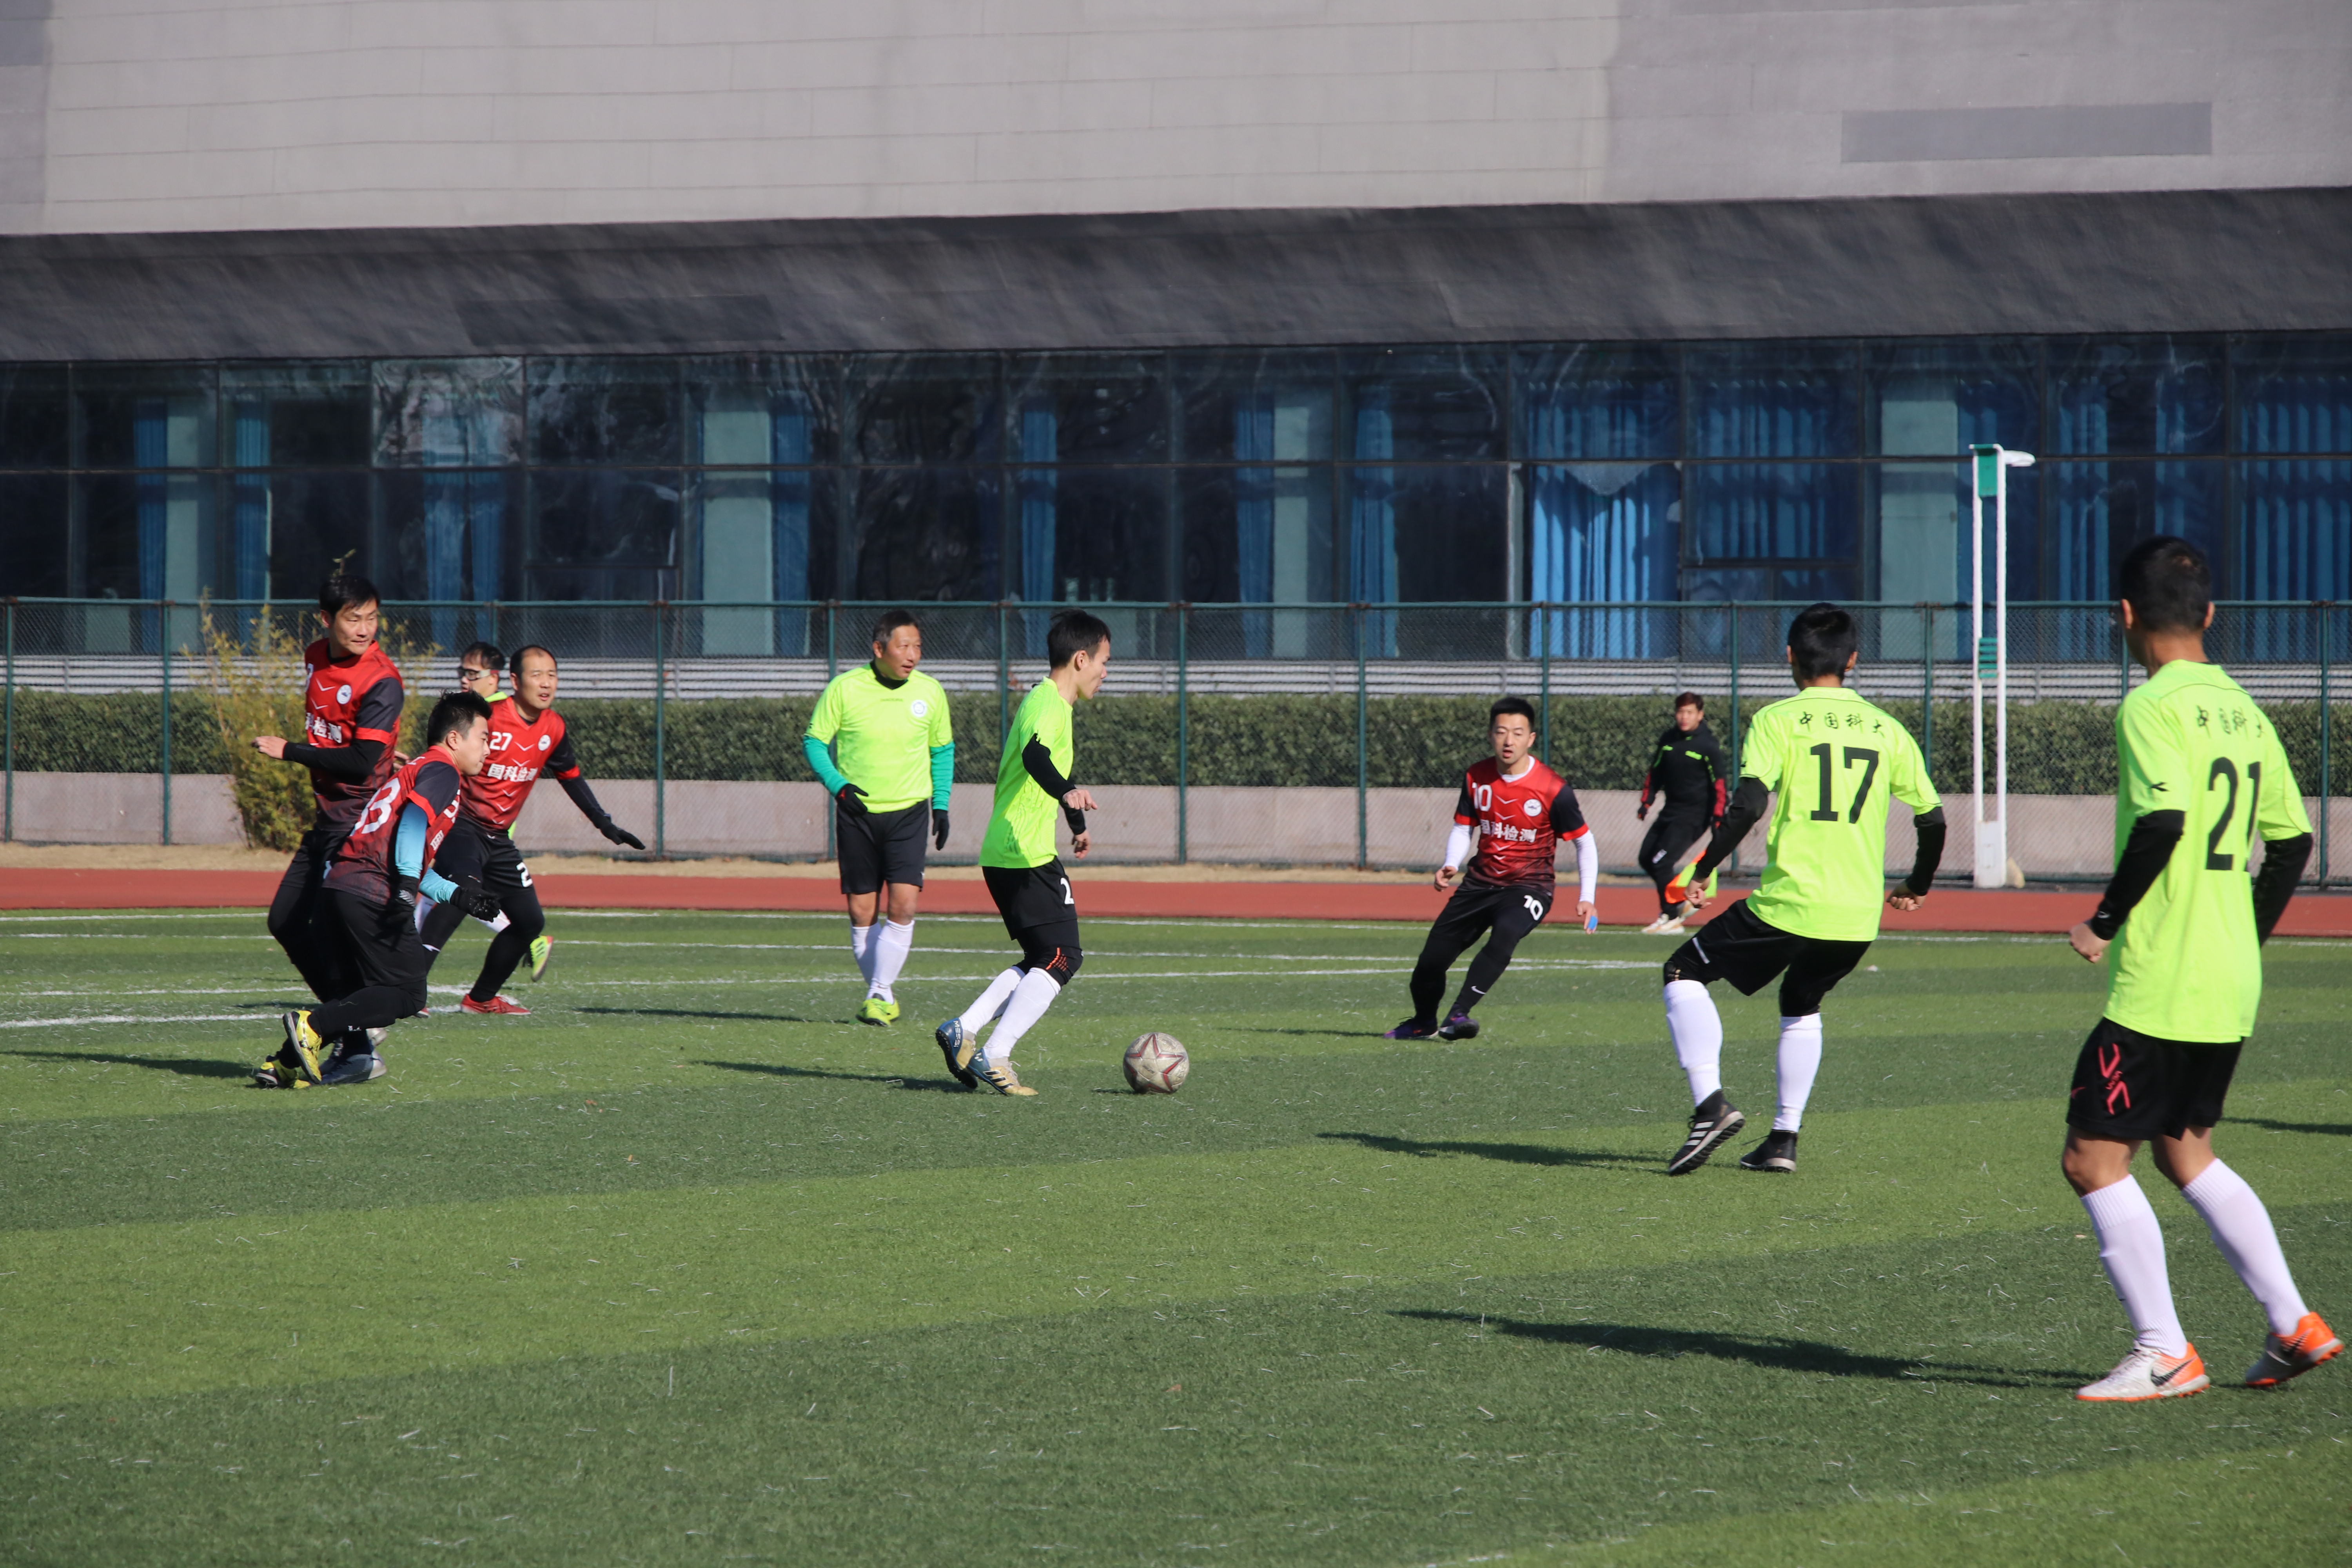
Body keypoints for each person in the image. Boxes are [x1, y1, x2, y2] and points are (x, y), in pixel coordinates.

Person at [2058, 537, 2335, 1402]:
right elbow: (2293, 842)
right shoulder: (2246, 709)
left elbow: (2164, 820)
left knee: (2092, 1160)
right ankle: (2294, 1323)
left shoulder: (2151, 705)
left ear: (2125, 615)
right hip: (2228, 975)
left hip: (2164, 978)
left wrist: (2104, 920)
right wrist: (2243, 935)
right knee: (2186, 1150)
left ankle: (2165, 1351)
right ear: (2211, 615)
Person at [1660, 603, 1946, 1177]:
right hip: (1857, 917)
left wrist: (1703, 868)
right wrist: (1917, 883)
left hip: (1790, 904)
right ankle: (1783, 1139)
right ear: (1854, 660)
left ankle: (1711, 1107)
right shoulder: (1888, 729)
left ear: (1789, 655)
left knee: (1682, 972)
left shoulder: (1777, 719)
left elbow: (1748, 805)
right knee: (1801, 1002)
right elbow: (1933, 819)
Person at [257, 691, 501, 1087]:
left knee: (354, 994)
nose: (489, 749)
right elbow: (413, 824)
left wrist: (459, 896)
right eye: (485, 738)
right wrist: (404, 889)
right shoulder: (444, 771)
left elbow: (400, 853)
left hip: (339, 887)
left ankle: (284, 1063)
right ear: (455, 739)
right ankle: (311, 1026)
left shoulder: (416, 769)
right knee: (408, 994)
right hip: (372, 892)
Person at [933, 609, 1107, 1096]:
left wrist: (1076, 824)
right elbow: (1035, 758)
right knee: (1064, 956)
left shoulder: (1048, 703)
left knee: (1041, 957)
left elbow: (1047, 770)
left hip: (1008, 850)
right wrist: (1068, 791)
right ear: (1080, 659)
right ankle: (996, 1053)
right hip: (1023, 852)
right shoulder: (1049, 703)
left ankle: (964, 1029)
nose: (1105, 672)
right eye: (1104, 661)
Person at [419, 643, 645, 1015]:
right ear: (515, 680)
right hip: (462, 824)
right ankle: (408, 988)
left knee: (529, 923)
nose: (546, 683)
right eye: (536, 675)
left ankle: (481, 999)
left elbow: (570, 777)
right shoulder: (490, 716)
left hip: (498, 838)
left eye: (552, 675)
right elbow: (445, 750)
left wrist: (605, 825)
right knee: (464, 891)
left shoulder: (553, 727)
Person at [1384, 697, 1597, 1042]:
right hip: (1479, 884)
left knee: (1506, 933)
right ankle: (1423, 1022)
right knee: (1430, 963)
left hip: (1530, 887)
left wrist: (1587, 897)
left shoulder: (1553, 789)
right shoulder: (1476, 776)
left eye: (1517, 733)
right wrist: (1451, 863)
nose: (1508, 741)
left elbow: (1585, 842)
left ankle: (1459, 1014)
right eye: (1501, 732)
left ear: (1531, 739)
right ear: (1490, 735)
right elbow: (1463, 826)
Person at [252, 573, 404, 1052]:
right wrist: (379, 747)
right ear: (326, 619)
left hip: (359, 823)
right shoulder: (316, 655)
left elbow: (360, 762)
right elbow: (349, 738)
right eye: (354, 618)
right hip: (328, 819)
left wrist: (290, 751)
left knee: (327, 932)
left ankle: (355, 1040)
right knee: (285, 921)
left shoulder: (382, 679)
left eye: (372, 618)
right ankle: (356, 1026)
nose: (365, 629)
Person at [803, 609, 955, 1025]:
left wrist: (941, 805)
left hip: (909, 813)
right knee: (861, 912)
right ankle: (882, 995)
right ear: (879, 648)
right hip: (858, 815)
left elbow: (942, 751)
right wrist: (839, 787)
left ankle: (878, 995)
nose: (913, 655)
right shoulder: (844, 688)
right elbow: (814, 742)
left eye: (918, 646)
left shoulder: (930, 692)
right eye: (904, 646)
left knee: (903, 905)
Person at [1635, 691, 1728, 935]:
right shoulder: (1669, 740)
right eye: (1680, 712)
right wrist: (1647, 802)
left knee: (1662, 863)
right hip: (1670, 812)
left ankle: (1672, 916)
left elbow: (1720, 785)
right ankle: (1678, 902)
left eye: (1689, 712)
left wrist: (1718, 817)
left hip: (1695, 817)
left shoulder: (1708, 746)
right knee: (1646, 859)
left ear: (1700, 715)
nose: (1684, 717)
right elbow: (1655, 773)